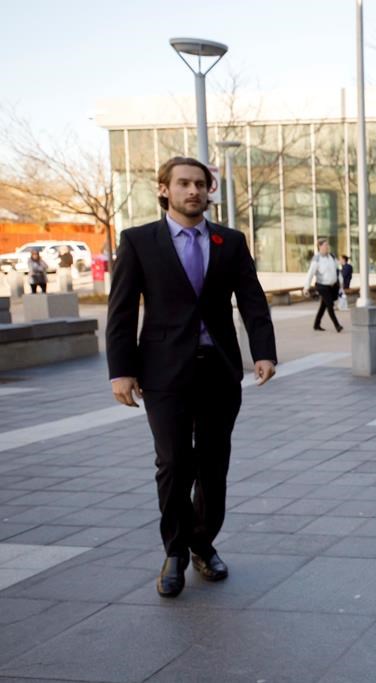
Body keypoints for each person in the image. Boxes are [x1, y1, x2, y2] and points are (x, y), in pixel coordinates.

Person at [106, 156, 277, 598]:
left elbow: (253, 302)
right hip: (163, 373)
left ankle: (202, 542)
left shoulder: (230, 241)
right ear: (164, 189)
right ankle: (176, 552)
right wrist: (121, 371)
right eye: (184, 183)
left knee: (214, 465)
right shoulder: (139, 241)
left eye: (201, 184)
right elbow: (121, 312)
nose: (194, 191)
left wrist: (264, 353)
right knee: (174, 463)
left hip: (219, 371)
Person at [304, 239, 343, 332]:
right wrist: (306, 287)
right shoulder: (316, 259)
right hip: (322, 286)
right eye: (325, 245)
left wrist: (341, 283)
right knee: (330, 304)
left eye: (327, 245)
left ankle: (316, 324)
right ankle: (337, 325)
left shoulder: (332, 257)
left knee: (323, 305)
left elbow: (338, 270)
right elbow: (310, 274)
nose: (327, 247)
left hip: (332, 286)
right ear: (320, 246)